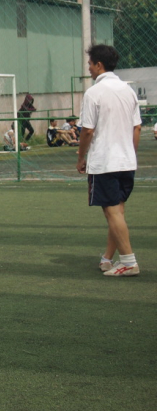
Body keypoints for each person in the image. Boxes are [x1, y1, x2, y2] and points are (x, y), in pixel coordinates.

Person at [76, 44, 142, 277]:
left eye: (90, 64)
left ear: (98, 65)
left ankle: (129, 262)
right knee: (117, 212)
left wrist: (81, 157)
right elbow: (137, 127)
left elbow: (87, 131)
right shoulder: (128, 91)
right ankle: (108, 258)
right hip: (127, 161)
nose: (89, 68)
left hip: (105, 161)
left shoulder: (94, 92)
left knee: (112, 212)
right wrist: (129, 154)